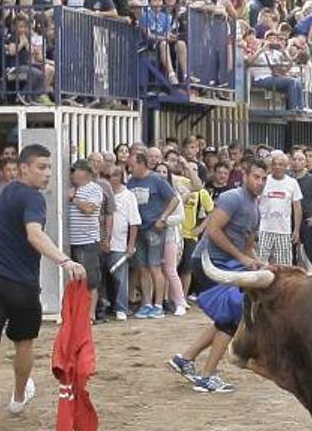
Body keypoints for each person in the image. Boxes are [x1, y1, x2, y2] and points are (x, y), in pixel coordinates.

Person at [0, 145, 86, 414]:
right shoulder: (34, 199)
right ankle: (17, 398)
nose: (47, 173)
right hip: (22, 286)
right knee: (24, 343)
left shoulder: (5, 194)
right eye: (41, 167)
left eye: (49, 167)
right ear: (24, 168)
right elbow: (34, 235)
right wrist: (65, 260)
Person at [168, 158, 269, 394]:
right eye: (256, 177)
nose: (260, 182)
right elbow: (212, 230)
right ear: (244, 176)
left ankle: (186, 358)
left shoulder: (255, 208)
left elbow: (246, 246)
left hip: (228, 265)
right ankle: (207, 375)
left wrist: (255, 262)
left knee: (229, 316)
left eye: (264, 178)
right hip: (208, 262)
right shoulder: (233, 198)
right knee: (231, 315)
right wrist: (243, 259)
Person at [126, 150, 179, 319]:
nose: (130, 169)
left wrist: (163, 218)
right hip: (139, 229)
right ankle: (146, 303)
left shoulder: (156, 179)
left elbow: (174, 199)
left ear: (142, 164)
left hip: (154, 228)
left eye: (133, 166)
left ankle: (158, 304)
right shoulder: (131, 181)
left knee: (155, 266)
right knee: (142, 268)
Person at [67, 160, 106, 323]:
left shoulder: (95, 189)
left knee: (90, 279)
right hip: (70, 241)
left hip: (87, 241)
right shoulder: (71, 187)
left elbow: (90, 209)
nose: (71, 174)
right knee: (74, 280)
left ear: (84, 172)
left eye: (74, 170)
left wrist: (74, 198)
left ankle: (91, 314)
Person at [106, 165, 141, 321]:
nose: (111, 178)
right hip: (100, 241)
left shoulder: (128, 196)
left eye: (114, 175)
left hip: (120, 242)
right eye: (108, 175)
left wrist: (131, 244)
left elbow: (134, 222)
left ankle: (121, 307)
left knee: (120, 277)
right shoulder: (101, 193)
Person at [256, 151, 302, 265]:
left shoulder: (292, 183)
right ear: (271, 166)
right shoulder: (264, 181)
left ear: (286, 167)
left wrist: (296, 230)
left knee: (285, 266)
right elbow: (255, 203)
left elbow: (297, 208)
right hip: (264, 229)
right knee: (259, 264)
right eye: (275, 164)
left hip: (284, 231)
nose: (277, 166)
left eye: (281, 164)